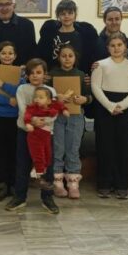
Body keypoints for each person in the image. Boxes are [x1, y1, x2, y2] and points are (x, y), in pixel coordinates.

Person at [91, 33, 128, 199]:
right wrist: (109, 106)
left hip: (124, 109)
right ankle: (104, 183)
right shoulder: (100, 65)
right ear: (107, 48)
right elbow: (95, 87)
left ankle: (121, 184)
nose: (116, 48)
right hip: (104, 108)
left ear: (125, 46)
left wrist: (122, 105)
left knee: (123, 146)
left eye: (119, 45)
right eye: (112, 45)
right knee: (104, 145)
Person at [7, 58, 60, 214]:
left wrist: (42, 121)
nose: (35, 75)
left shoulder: (51, 91)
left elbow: (54, 111)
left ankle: (47, 198)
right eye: (31, 73)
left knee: (47, 165)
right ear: (27, 75)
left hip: (45, 133)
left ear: (45, 74)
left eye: (38, 72)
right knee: (22, 165)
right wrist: (33, 120)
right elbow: (23, 109)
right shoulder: (22, 89)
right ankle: (20, 197)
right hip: (26, 132)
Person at [48, 45, 90, 199]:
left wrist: (85, 99)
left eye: (70, 56)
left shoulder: (81, 75)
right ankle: (57, 182)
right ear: (58, 58)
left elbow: (89, 96)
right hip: (56, 116)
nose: (67, 59)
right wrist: (55, 98)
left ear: (75, 58)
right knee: (58, 147)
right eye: (63, 56)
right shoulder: (52, 75)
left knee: (73, 148)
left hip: (76, 116)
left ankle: (73, 182)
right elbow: (44, 97)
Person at [0, 41, 24, 202]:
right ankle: (1, 183)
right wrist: (9, 100)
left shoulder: (21, 75)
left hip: (15, 118)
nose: (7, 56)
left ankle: (13, 183)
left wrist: (3, 86)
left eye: (10, 53)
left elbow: (21, 93)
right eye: (3, 53)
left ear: (15, 56)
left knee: (14, 151)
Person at [24, 86, 69, 190]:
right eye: (36, 97)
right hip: (35, 136)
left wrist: (64, 110)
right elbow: (27, 115)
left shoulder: (52, 105)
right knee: (39, 156)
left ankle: (37, 173)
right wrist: (28, 124)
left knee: (48, 157)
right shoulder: (32, 108)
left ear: (49, 100)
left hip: (46, 136)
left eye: (41, 97)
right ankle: (38, 178)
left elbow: (60, 105)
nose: (37, 99)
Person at [37, 0, 98, 74]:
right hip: (54, 75)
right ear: (58, 16)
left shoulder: (84, 35)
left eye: (70, 13)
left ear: (75, 15)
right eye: (63, 14)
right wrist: (44, 73)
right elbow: (40, 56)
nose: (66, 16)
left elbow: (91, 57)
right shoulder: (49, 34)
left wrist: (88, 74)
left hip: (78, 75)